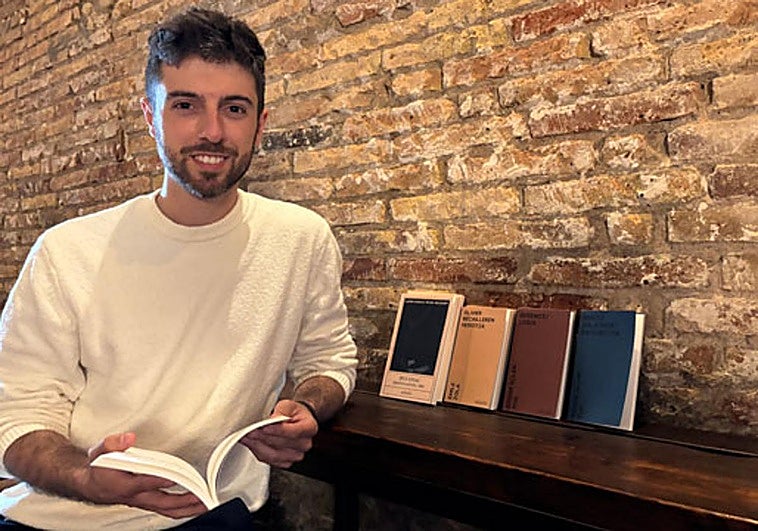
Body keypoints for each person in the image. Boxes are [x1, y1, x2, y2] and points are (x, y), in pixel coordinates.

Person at [0, 7, 357, 529]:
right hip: (59, 518)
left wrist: (306, 405)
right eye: (186, 105)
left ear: (260, 124)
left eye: (234, 108)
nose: (212, 131)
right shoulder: (66, 251)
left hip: (214, 513)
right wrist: (84, 477)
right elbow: (17, 414)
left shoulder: (301, 239)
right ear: (151, 115)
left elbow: (329, 360)